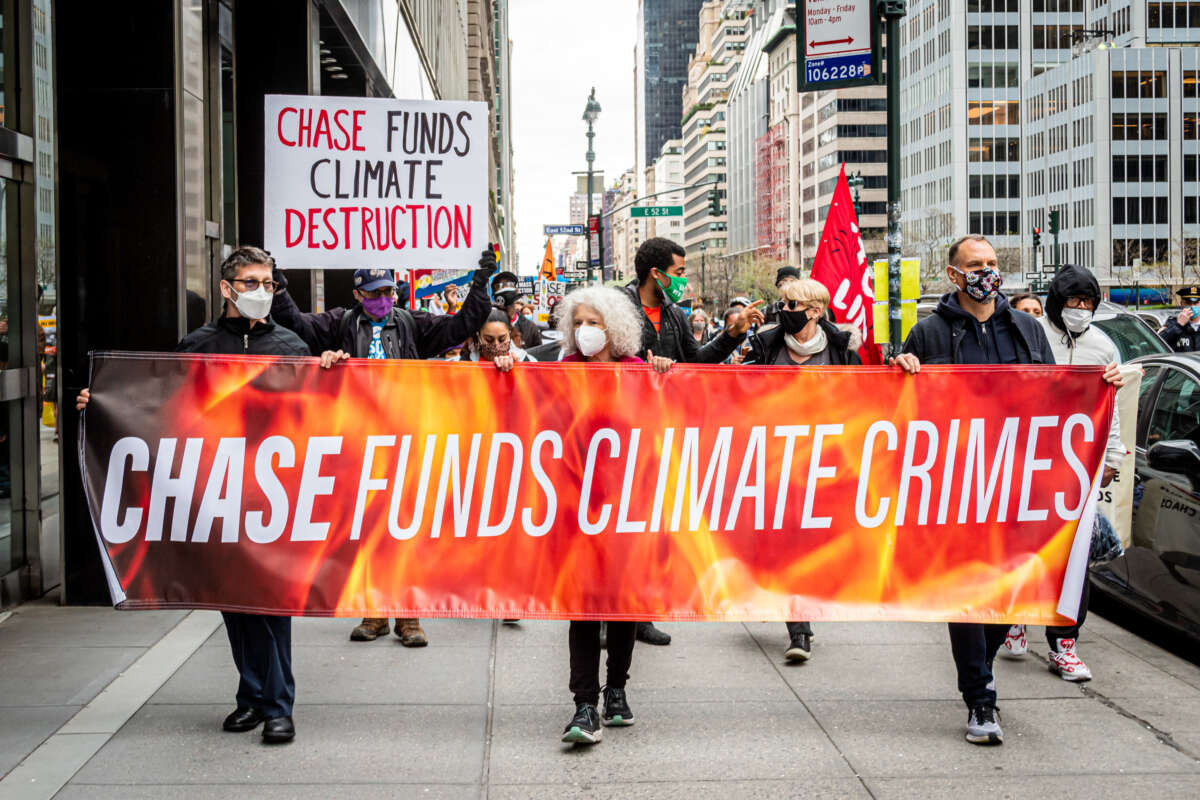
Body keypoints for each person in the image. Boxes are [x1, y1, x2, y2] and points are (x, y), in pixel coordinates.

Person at [77, 246, 311, 744]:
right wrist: (98, 402)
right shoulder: (198, 344)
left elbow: (315, 414)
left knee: (271, 601)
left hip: (274, 495)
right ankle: (252, 696)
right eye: (251, 283)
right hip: (218, 491)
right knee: (233, 598)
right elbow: (162, 407)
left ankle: (277, 706)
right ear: (227, 289)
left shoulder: (292, 345)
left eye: (269, 284)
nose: (262, 293)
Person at [900, 234, 1121, 746]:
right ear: (953, 275)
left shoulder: (1025, 329)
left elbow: (1055, 397)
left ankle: (985, 664)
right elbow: (904, 411)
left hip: (1014, 484)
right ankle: (980, 698)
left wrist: (1098, 384)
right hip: (954, 487)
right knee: (966, 595)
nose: (987, 272)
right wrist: (903, 369)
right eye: (975, 265)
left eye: (993, 263)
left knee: (1008, 594)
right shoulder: (929, 333)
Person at [271, 250, 497, 646]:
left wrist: (480, 283)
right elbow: (295, 324)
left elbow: (463, 325)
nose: (384, 299)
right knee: (367, 529)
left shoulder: (412, 323)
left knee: (404, 529)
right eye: (375, 292)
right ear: (358, 294)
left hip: (405, 439)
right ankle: (374, 613)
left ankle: (409, 618)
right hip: (357, 441)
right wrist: (279, 284)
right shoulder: (340, 323)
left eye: (389, 291)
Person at [745, 279, 918, 662]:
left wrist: (894, 373)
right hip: (777, 462)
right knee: (790, 543)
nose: (782, 311)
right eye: (781, 304)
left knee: (813, 543)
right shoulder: (765, 346)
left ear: (815, 311)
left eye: (790, 305)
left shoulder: (842, 351)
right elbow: (740, 395)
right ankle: (800, 629)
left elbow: (864, 398)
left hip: (827, 464)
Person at [622, 237, 765, 645]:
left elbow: (696, 364)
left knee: (655, 527)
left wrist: (733, 335)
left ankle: (641, 614)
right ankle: (608, 612)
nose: (684, 281)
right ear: (657, 273)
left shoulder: (674, 314)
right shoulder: (616, 308)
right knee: (622, 529)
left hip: (663, 431)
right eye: (679, 273)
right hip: (621, 432)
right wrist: (640, 367)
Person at [552, 286, 672, 746]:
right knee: (583, 606)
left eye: (594, 323)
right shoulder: (560, 373)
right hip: (576, 506)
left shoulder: (638, 372)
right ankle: (584, 704)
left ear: (614, 328)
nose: (585, 331)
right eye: (578, 322)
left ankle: (616, 692)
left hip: (628, 505)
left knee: (623, 603)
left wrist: (665, 374)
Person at [1001, 265, 1125, 681]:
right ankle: (1014, 620)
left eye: (1088, 303)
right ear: (1057, 302)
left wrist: (1111, 458)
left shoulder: (1104, 348)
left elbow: (1111, 409)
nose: (1081, 310)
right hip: (1027, 463)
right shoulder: (1030, 333)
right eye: (1074, 302)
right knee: (1021, 549)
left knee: (1073, 558)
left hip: (1075, 470)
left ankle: (1064, 643)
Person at [464, 308, 536, 364]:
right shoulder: (465, 363)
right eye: (489, 340)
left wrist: (517, 369)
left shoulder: (526, 360)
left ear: (509, 335)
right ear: (478, 337)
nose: (496, 345)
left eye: (502, 339)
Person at [491, 270, 542, 348]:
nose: (505, 288)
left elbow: (539, 355)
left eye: (509, 285)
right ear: (494, 295)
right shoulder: (486, 323)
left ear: (516, 291)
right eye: (499, 286)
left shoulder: (530, 328)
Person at [1161, 285, 1200, 352]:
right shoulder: (1172, 323)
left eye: (1196, 303)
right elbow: (1159, 344)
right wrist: (1178, 325)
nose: (1192, 307)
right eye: (1188, 303)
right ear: (1182, 304)